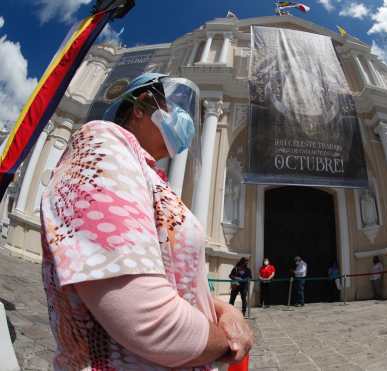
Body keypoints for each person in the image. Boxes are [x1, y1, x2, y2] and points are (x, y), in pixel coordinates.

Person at [40, 73, 253, 370]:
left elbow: (180, 282)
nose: (187, 122)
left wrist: (228, 313)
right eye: (177, 107)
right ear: (141, 106)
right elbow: (146, 321)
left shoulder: (149, 175)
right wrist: (227, 344)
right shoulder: (101, 141)